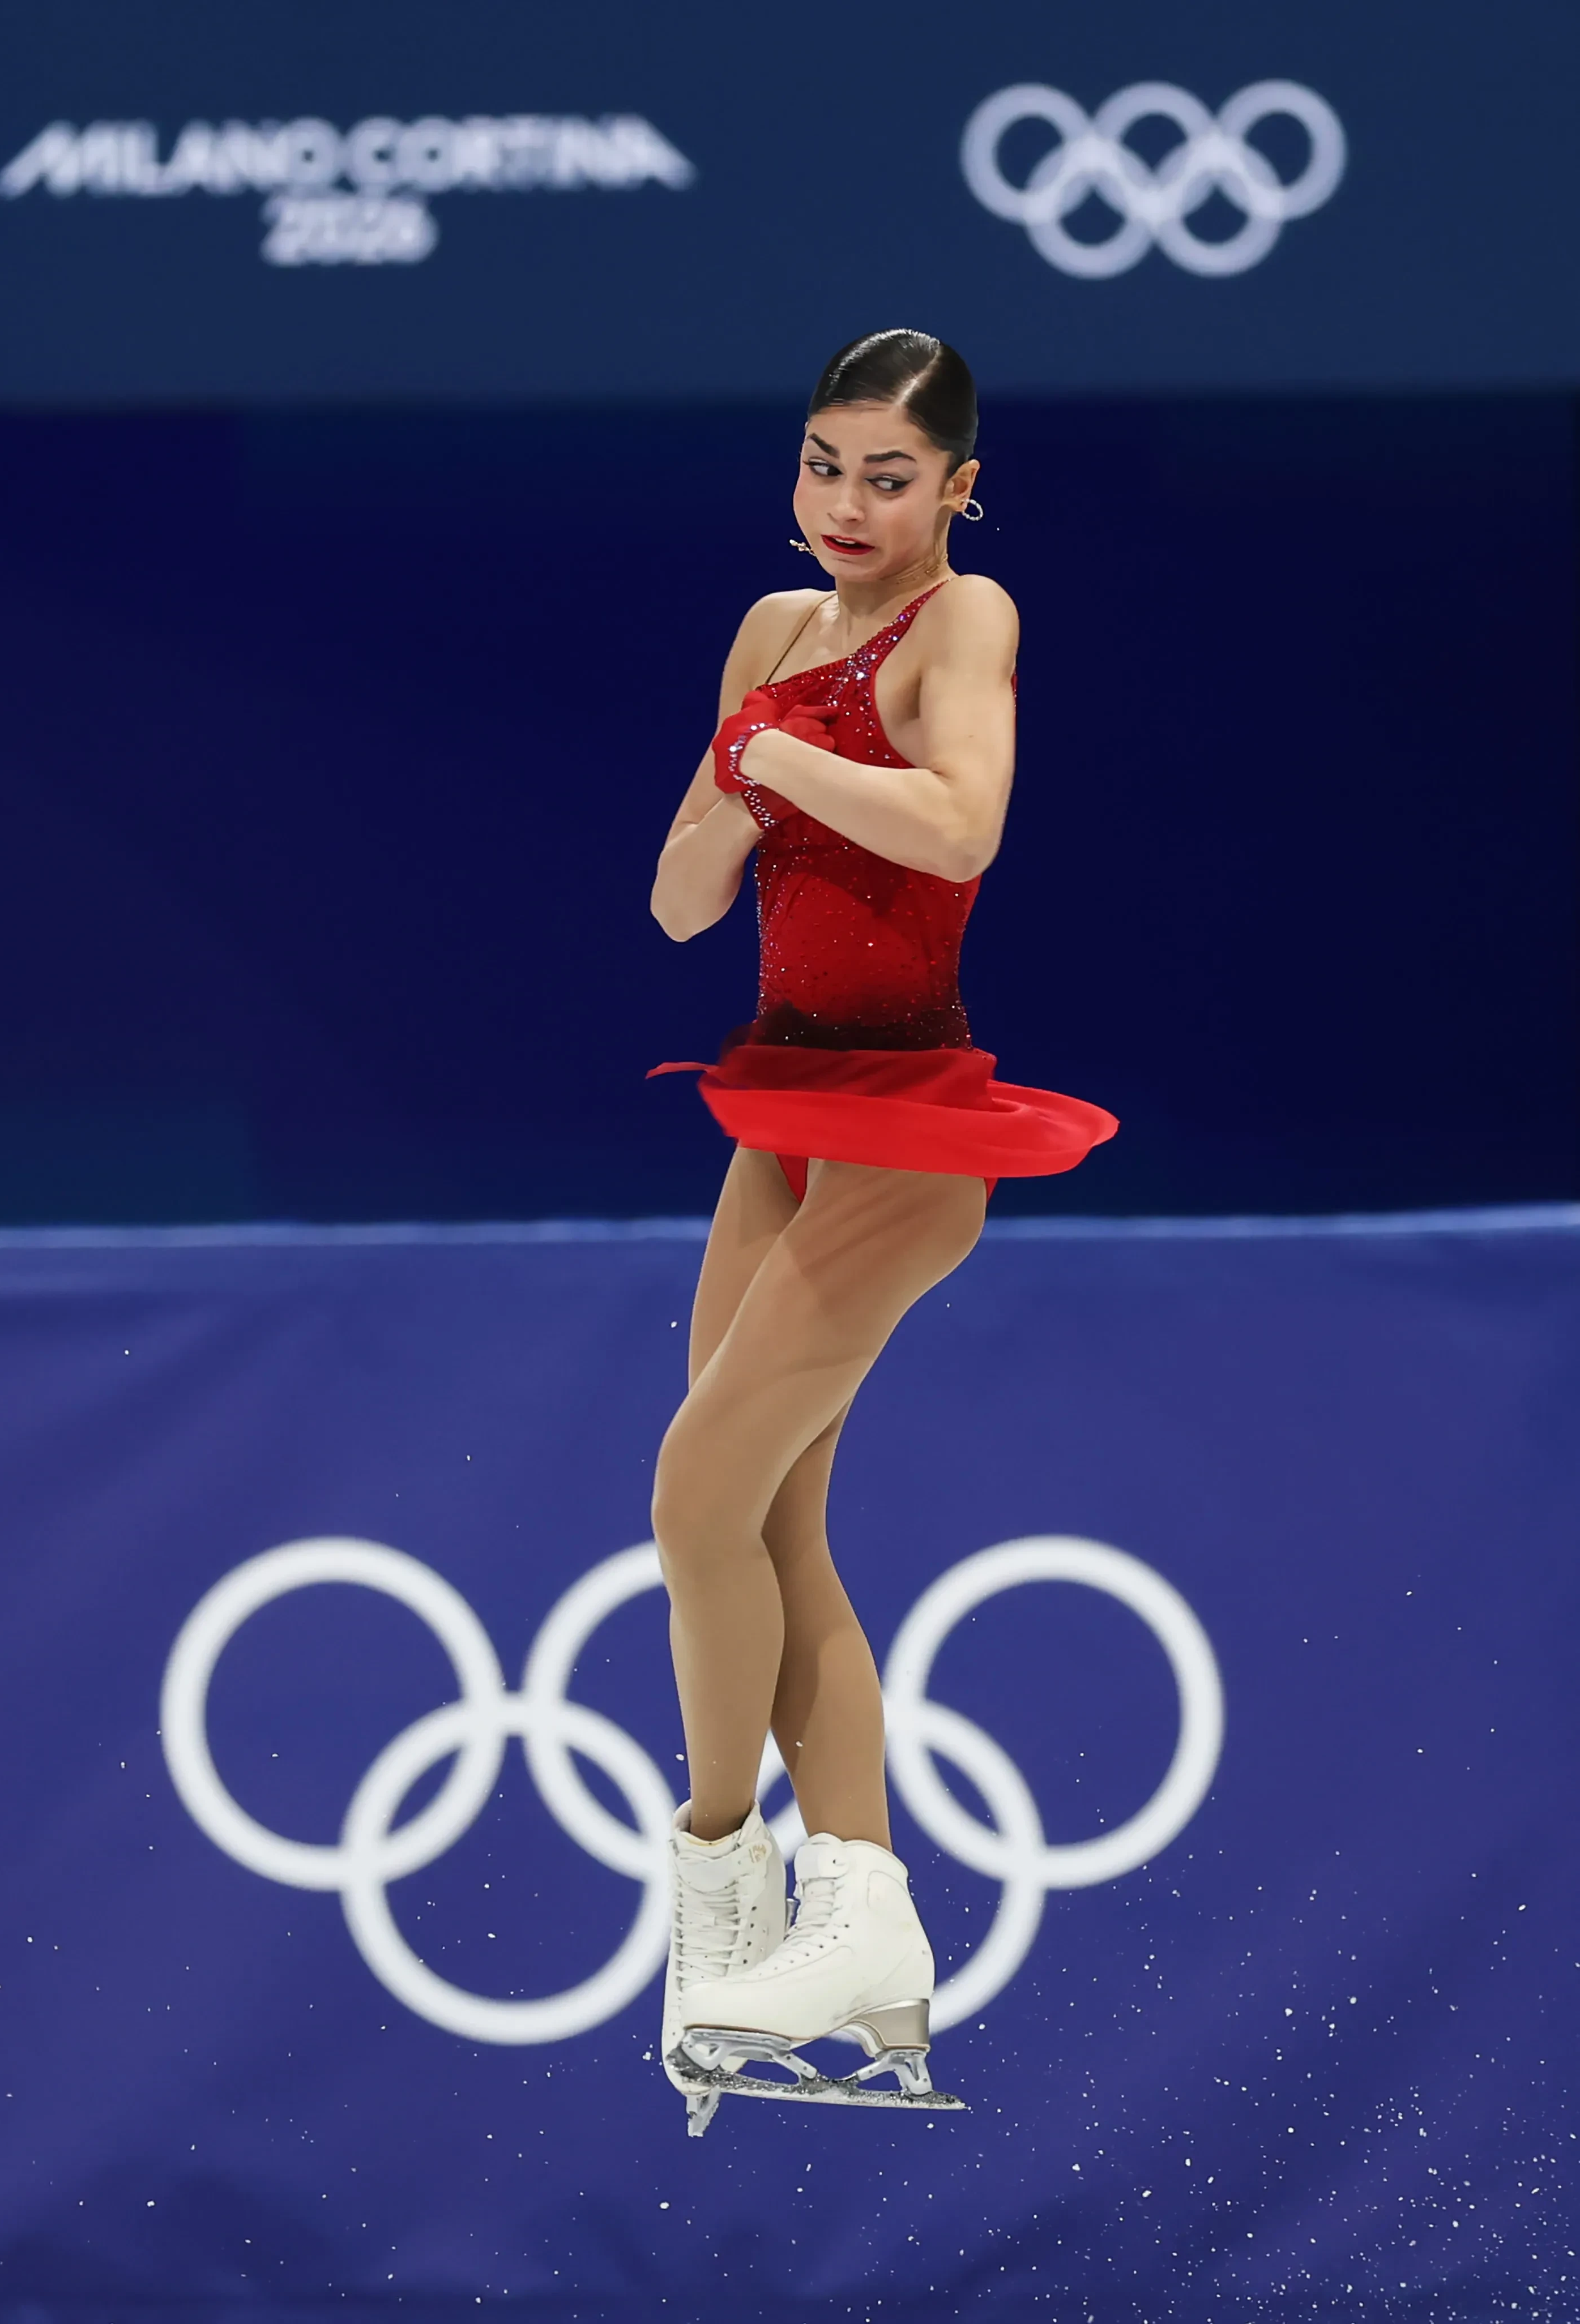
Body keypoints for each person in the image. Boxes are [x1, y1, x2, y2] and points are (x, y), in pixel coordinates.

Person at [646, 329, 1116, 2132]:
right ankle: (860, 1940)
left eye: (891, 476)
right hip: (779, 1109)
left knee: (693, 1496)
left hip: (910, 1125)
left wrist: (778, 757)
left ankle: (732, 1887)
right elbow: (683, 901)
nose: (848, 504)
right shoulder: (768, 634)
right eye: (824, 465)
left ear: (960, 490)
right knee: (770, 1524)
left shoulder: (964, 619)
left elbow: (961, 824)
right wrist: (737, 773)